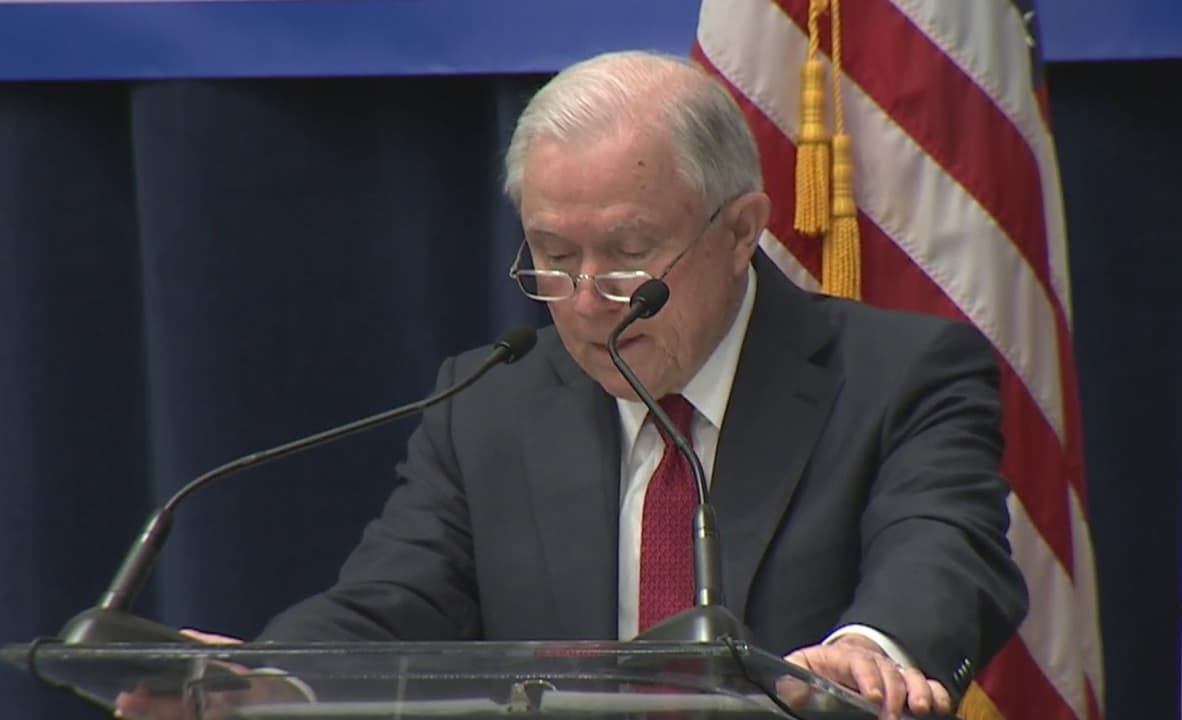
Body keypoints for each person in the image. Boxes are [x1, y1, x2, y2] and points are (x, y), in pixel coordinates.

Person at [128, 50, 1027, 720]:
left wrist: (865, 653)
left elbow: (943, 550)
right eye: (554, 257)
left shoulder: (898, 375)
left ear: (740, 231)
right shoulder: (491, 403)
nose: (589, 301)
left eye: (630, 254)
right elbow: (394, 605)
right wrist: (265, 679)